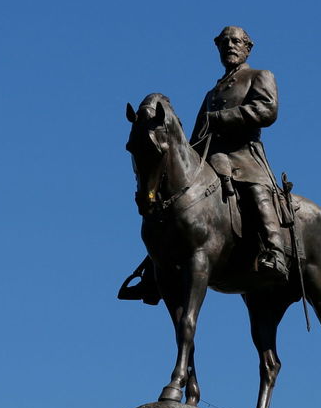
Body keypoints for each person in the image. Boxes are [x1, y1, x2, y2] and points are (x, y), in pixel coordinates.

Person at [119, 26, 288, 305]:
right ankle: (153, 272)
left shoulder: (260, 76)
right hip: (211, 160)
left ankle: (275, 252)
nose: (230, 46)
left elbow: (267, 110)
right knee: (174, 206)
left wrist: (223, 118)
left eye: (236, 41)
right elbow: (196, 138)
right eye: (224, 42)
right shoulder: (212, 93)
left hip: (245, 156)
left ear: (248, 47)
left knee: (258, 191)